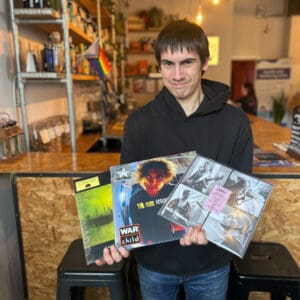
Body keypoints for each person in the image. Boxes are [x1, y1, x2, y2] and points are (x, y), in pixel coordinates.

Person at [96, 19, 253, 300]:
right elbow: (126, 192)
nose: (177, 74)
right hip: (155, 263)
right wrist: (113, 240)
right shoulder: (139, 123)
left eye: (187, 62)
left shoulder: (235, 122)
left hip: (211, 261)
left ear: (205, 62)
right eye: (168, 64)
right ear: (159, 67)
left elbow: (239, 191)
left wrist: (210, 226)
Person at [128, 158, 184, 245]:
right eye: (148, 176)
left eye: (159, 177)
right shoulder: (134, 199)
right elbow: (136, 231)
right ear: (141, 178)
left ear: (166, 178)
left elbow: (186, 223)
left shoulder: (174, 191)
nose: (152, 182)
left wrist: (170, 227)